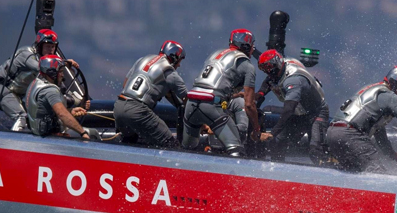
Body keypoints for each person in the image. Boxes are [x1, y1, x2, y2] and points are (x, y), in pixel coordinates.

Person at [181, 29, 258, 157]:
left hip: (191, 104)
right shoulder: (247, 65)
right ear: (247, 47)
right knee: (236, 151)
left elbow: (212, 86)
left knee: (187, 151)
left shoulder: (215, 55)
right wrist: (256, 129)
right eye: (252, 46)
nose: (253, 50)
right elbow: (249, 105)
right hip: (212, 106)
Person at [0, 29, 80, 131]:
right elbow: (41, 67)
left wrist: (73, 99)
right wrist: (65, 63)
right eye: (47, 46)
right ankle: (15, 142)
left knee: (34, 119)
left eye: (52, 47)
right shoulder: (26, 54)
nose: (50, 50)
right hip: (2, 89)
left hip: (18, 95)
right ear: (39, 46)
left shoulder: (48, 65)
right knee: (22, 117)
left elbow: (57, 85)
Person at [327, 66, 397, 172]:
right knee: (378, 173)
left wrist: (393, 155)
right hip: (351, 134)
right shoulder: (388, 95)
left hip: (333, 132)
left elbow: (380, 135)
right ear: (395, 82)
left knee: (351, 172)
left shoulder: (372, 91)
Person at [254, 49, 330, 163]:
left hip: (316, 112)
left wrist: (272, 133)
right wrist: (260, 93)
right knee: (278, 142)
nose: (267, 73)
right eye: (264, 69)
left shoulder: (293, 81)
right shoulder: (281, 66)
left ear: (277, 65)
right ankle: (277, 170)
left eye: (269, 69)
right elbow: (269, 80)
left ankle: (327, 174)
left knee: (315, 149)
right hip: (300, 112)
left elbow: (288, 110)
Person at [114, 40, 188, 148]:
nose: (179, 65)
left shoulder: (142, 60)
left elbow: (125, 84)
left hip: (118, 107)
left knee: (129, 142)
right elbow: (188, 101)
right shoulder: (170, 72)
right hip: (138, 111)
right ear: (174, 57)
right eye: (180, 61)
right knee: (171, 145)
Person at [25, 55, 91, 141]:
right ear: (52, 73)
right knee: (92, 133)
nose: (62, 75)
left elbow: (48, 110)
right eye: (61, 72)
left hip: (38, 133)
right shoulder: (50, 91)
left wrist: (71, 111)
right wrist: (83, 133)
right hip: (49, 137)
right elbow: (62, 114)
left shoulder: (36, 83)